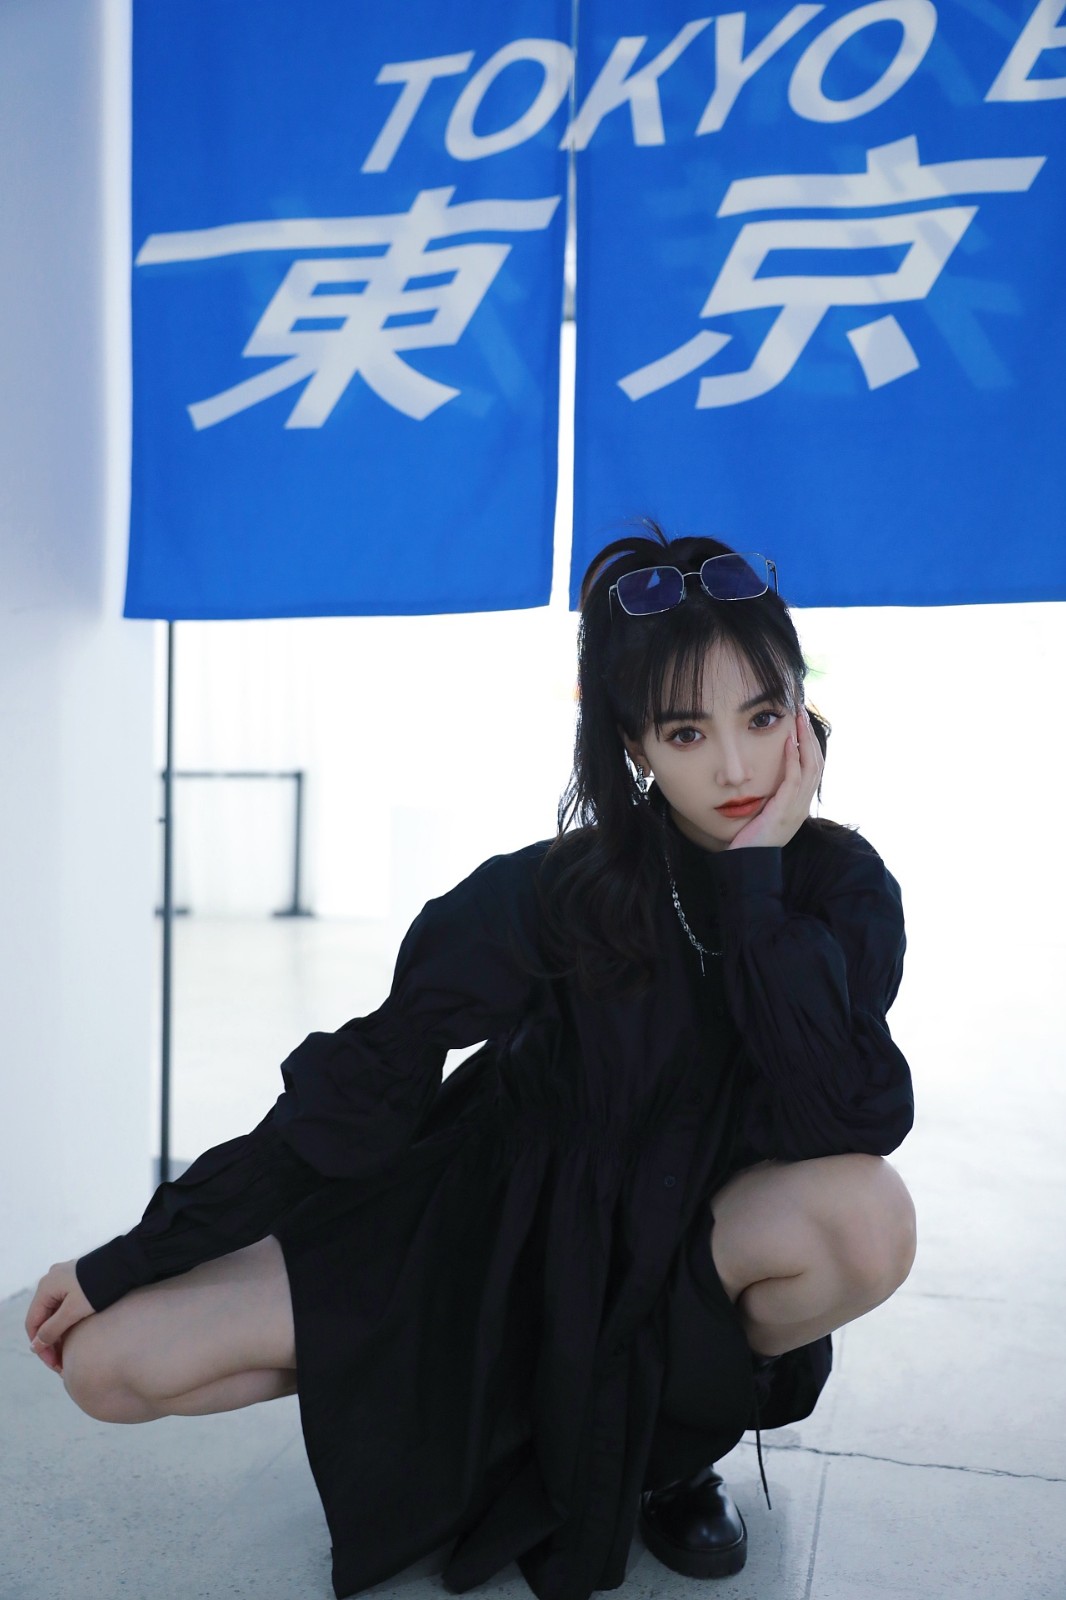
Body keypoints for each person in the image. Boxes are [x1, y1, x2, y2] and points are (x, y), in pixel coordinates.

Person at [27, 525, 916, 1600]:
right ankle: (477, 1416)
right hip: (495, 1231)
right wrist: (135, 1255)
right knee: (106, 1367)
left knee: (869, 1217)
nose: (734, 766)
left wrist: (756, 884)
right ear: (634, 744)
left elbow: (846, 1115)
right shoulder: (553, 891)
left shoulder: (836, 889)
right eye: (687, 730)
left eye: (762, 716)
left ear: (800, 717)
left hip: (692, 1249)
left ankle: (670, 1452)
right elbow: (363, 1083)